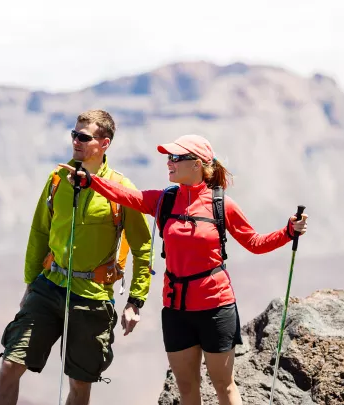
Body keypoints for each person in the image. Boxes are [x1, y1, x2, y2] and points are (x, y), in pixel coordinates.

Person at [59, 134, 309, 405]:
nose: (169, 162)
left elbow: (254, 242)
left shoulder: (221, 204)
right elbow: (127, 196)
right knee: (187, 389)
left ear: (198, 164)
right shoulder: (164, 200)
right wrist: (90, 181)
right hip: (176, 310)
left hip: (216, 306)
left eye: (176, 158)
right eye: (168, 157)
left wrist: (287, 232)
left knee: (224, 387)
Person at [0, 110, 153, 405]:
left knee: (79, 384)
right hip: (49, 287)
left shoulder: (121, 190)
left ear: (104, 143)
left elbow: (143, 247)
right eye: (73, 134)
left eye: (83, 136)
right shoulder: (57, 180)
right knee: (10, 365)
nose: (75, 141)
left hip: (92, 298)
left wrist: (135, 301)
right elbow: (39, 231)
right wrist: (30, 283)